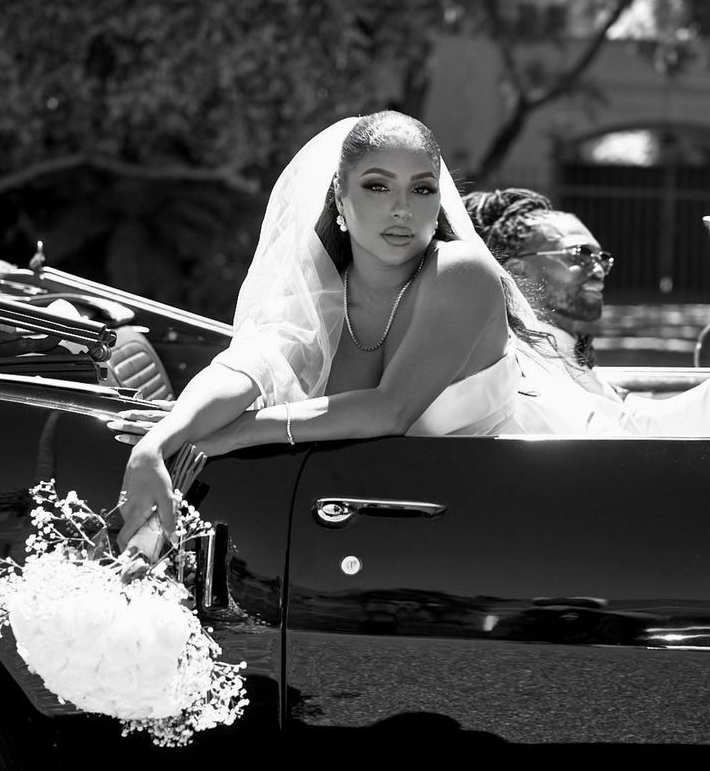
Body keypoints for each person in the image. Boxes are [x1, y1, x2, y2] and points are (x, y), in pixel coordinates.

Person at [114, 112, 548, 550]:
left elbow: (390, 410)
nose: (402, 208)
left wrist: (234, 433)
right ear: (340, 197)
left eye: (422, 188)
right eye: (378, 186)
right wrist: (165, 437)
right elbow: (245, 367)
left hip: (492, 524)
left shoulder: (462, 274)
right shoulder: (321, 297)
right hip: (371, 536)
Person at [463, 187, 710, 437]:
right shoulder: (520, 359)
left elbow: (632, 424)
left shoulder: (557, 348)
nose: (599, 269)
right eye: (580, 254)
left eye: (603, 258)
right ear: (517, 270)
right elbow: (621, 436)